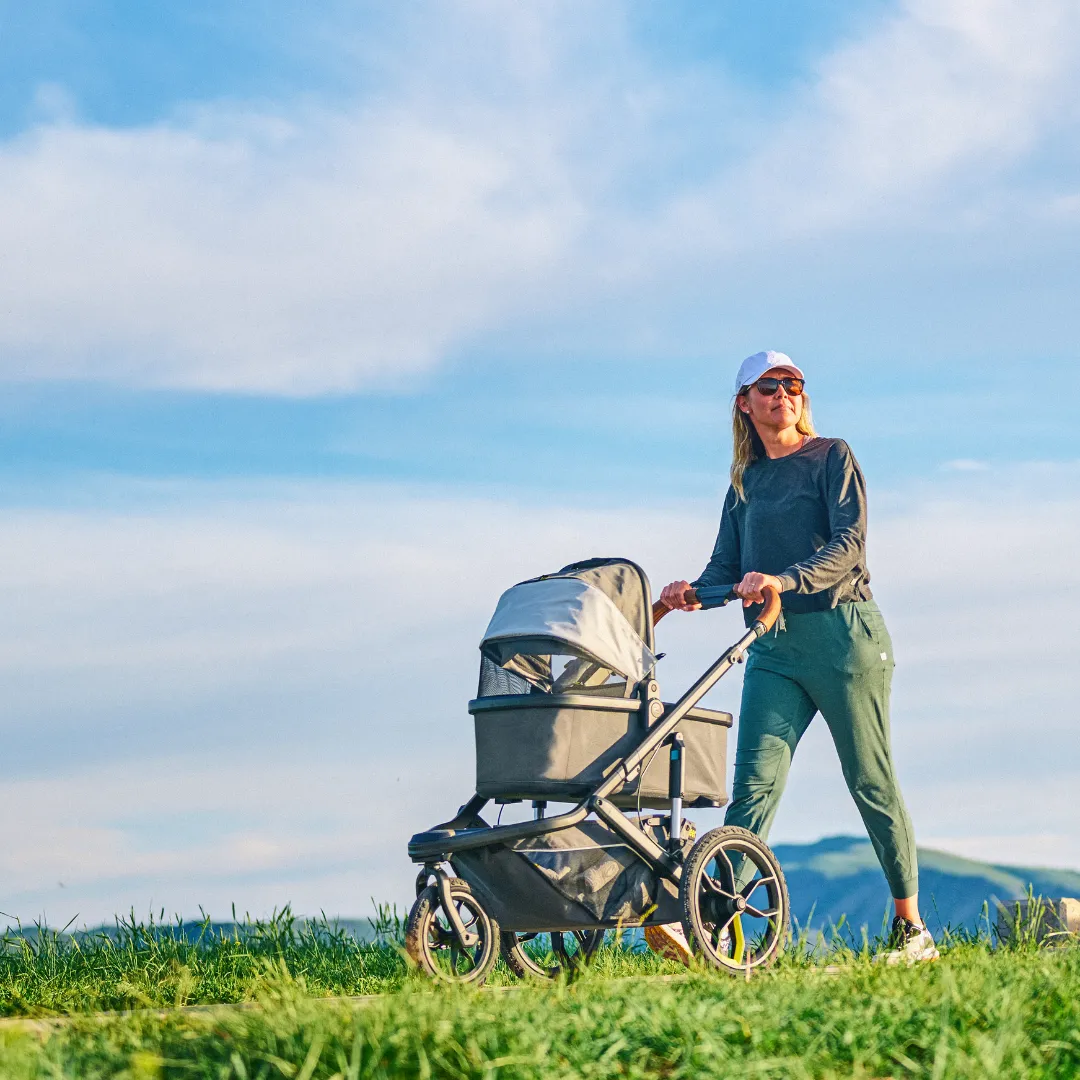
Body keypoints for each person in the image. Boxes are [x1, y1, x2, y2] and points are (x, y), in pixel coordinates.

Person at [644, 350, 938, 966]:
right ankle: (719, 923)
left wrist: (783, 579)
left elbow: (848, 547)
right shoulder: (746, 481)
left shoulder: (832, 457)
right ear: (743, 403)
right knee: (752, 789)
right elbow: (729, 568)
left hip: (844, 637)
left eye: (794, 384)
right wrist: (688, 595)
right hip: (774, 650)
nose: (785, 393)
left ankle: (912, 932)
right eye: (769, 386)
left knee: (869, 779)